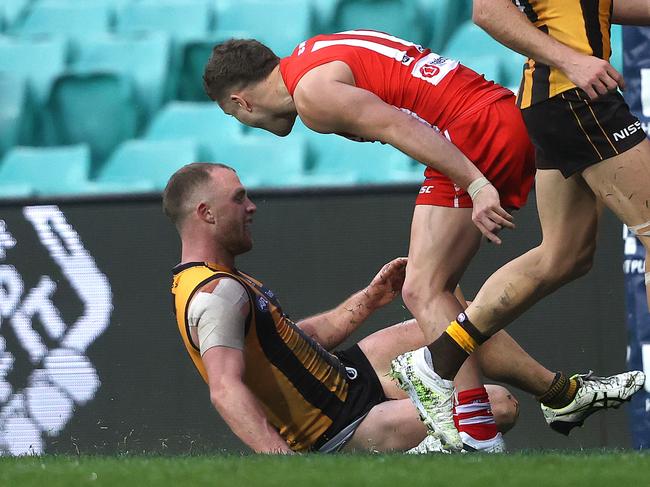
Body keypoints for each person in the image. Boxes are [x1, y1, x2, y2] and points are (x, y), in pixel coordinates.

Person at [202, 29, 536, 451]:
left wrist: (474, 183)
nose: (247, 123)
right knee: (550, 259)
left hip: (471, 131)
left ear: (240, 102)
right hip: (494, 110)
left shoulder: (312, 96)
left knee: (423, 289)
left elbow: (399, 123)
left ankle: (477, 432)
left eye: (237, 119)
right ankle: (554, 395)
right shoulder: (314, 51)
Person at [164, 162, 641, 454]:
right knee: (497, 406)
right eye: (238, 198)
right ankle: (434, 451)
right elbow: (225, 389)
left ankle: (560, 395)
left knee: (458, 321)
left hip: (347, 377)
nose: (251, 206)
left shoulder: (225, 282)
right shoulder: (215, 296)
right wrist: (281, 466)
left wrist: (368, 301)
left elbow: (292, 342)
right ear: (205, 213)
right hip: (339, 428)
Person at [389, 0, 649, 444]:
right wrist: (572, 60)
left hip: (560, 100)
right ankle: (437, 362)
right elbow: (487, 10)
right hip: (575, 95)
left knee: (564, 255)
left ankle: (438, 359)